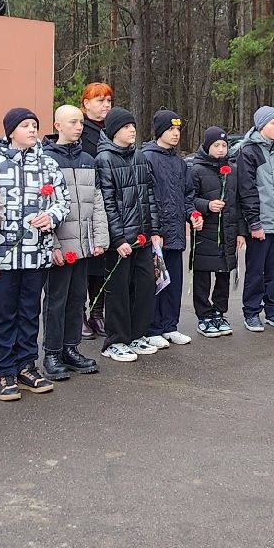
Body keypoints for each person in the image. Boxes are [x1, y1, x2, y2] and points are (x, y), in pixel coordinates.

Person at [0, 107, 66, 401]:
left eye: (34, 125)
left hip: (36, 253)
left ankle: (26, 367)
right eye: (25, 125)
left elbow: (63, 201)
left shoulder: (48, 164)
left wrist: (51, 216)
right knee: (5, 314)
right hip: (3, 254)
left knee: (30, 313)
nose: (32, 130)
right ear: (11, 132)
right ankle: (5, 371)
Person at [41, 105, 106, 380]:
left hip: (83, 245)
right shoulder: (46, 159)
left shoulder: (88, 159)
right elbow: (42, 207)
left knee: (77, 298)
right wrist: (53, 245)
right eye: (72, 122)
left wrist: (100, 238)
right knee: (56, 301)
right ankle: (52, 353)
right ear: (58, 125)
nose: (79, 127)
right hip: (60, 247)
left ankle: (71, 349)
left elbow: (97, 201)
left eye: (80, 122)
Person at [93, 107, 159, 362]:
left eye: (133, 126)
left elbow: (149, 195)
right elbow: (107, 203)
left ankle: (136, 335)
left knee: (145, 286)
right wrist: (118, 239)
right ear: (113, 131)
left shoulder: (139, 156)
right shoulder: (104, 159)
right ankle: (116, 340)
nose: (132, 130)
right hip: (120, 241)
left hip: (142, 237)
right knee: (118, 291)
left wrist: (153, 230)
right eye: (126, 127)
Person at [236, 105, 274, 332]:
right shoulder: (248, 152)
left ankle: (273, 311)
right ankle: (251, 312)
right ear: (262, 125)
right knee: (256, 270)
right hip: (260, 224)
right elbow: (247, 189)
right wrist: (254, 222)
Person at [141, 110, 194, 348]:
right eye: (171, 129)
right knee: (156, 282)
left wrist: (192, 215)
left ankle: (170, 326)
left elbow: (188, 194)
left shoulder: (180, 162)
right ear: (160, 131)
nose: (175, 134)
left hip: (176, 234)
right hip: (157, 235)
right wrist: (154, 231)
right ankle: (152, 328)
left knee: (173, 282)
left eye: (178, 129)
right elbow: (147, 197)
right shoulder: (147, 158)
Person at [188, 127, 241, 336]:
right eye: (216, 145)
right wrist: (206, 205)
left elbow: (238, 202)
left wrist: (240, 232)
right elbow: (189, 199)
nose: (220, 149)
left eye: (224, 145)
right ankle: (203, 315)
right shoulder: (196, 169)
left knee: (224, 274)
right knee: (203, 275)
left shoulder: (233, 170)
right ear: (207, 146)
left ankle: (219, 312)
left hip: (228, 231)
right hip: (205, 231)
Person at [79, 83, 115, 339]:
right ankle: (79, 314)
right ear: (86, 104)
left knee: (103, 263)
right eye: (100, 100)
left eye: (108, 101)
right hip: (86, 203)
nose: (106, 105)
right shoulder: (81, 131)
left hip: (109, 203)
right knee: (85, 262)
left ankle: (97, 312)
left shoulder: (113, 130)